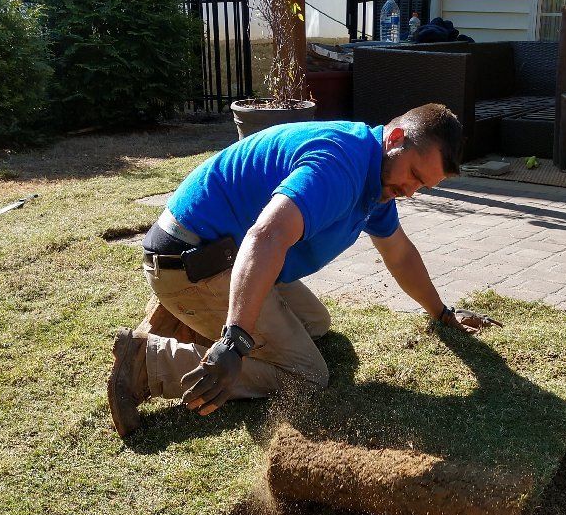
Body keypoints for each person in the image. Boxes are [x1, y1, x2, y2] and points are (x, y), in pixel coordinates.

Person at [107, 103, 500, 438]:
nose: (411, 191)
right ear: (395, 138)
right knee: (307, 376)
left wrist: (443, 315)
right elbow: (266, 236)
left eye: (423, 186)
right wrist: (233, 341)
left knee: (315, 322)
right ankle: (147, 360)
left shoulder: (376, 174)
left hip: (215, 252)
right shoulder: (339, 165)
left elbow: (399, 254)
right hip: (192, 261)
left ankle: (186, 316)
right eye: (414, 175)